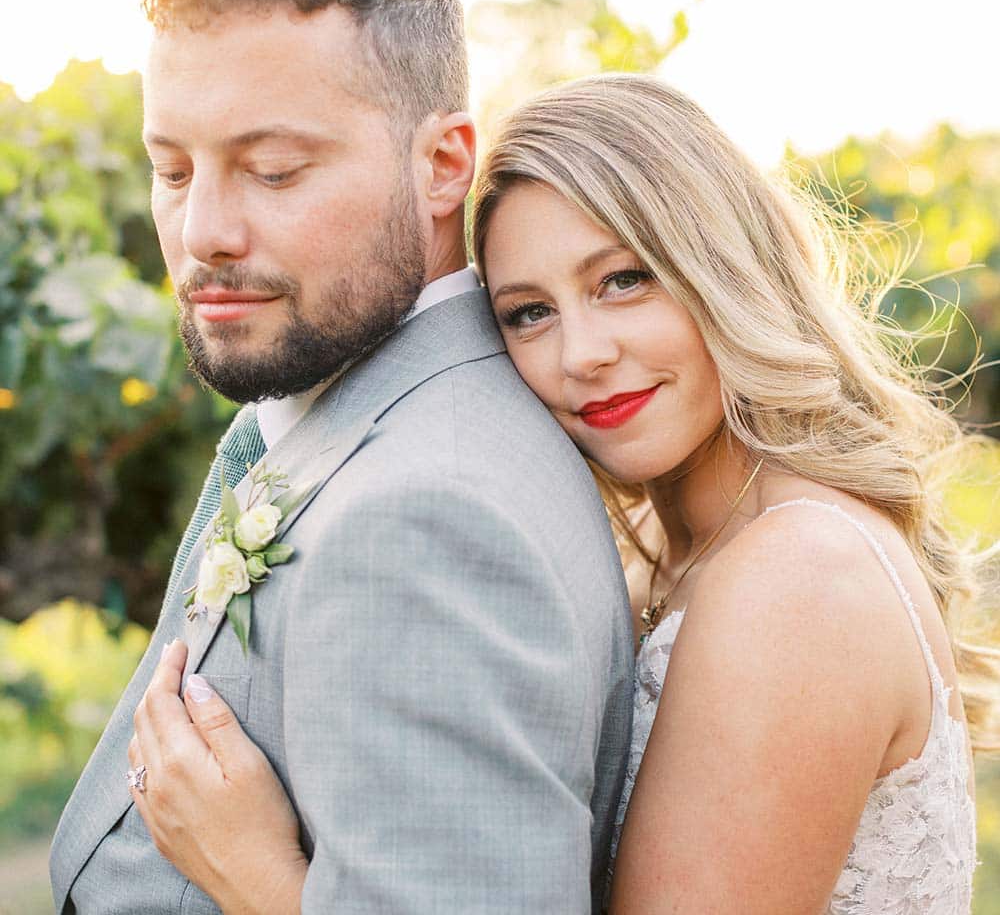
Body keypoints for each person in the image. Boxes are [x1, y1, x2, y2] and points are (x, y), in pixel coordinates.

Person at [124, 70, 998, 914]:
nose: (581, 353)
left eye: (623, 280)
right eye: (528, 313)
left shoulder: (799, 577)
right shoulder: (675, 560)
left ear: (728, 271)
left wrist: (257, 874)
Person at [47, 0, 634, 913]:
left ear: (445, 163)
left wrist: (260, 881)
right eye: (173, 170)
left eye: (273, 169)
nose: (203, 236)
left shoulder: (428, 519)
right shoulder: (352, 418)